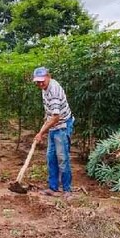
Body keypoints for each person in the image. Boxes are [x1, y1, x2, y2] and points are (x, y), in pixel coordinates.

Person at [32, 67, 75, 199]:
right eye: (37, 82)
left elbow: (56, 117)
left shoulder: (54, 90)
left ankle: (67, 190)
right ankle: (53, 188)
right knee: (51, 157)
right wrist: (44, 128)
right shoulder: (44, 89)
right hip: (53, 126)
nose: (40, 84)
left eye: (42, 81)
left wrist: (41, 133)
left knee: (62, 158)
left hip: (62, 126)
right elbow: (49, 113)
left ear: (48, 76)